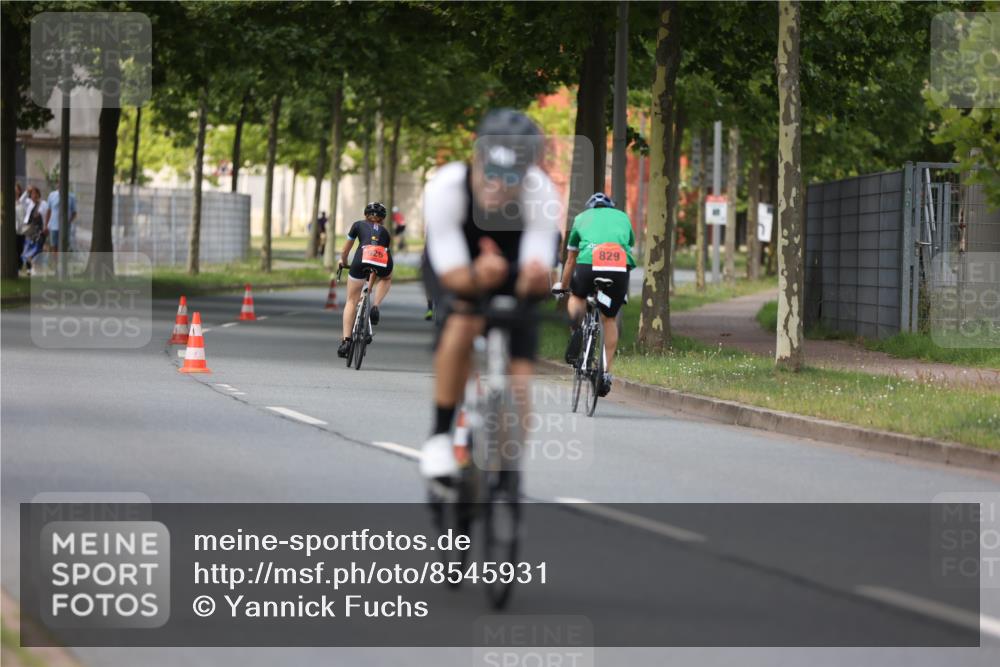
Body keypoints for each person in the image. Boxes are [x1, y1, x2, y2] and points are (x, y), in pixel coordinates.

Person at [420, 109, 561, 480]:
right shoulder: (447, 188)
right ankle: (439, 437)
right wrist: (476, 277)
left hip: (513, 261)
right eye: (490, 173)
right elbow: (452, 275)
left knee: (520, 379)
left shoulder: (540, 193)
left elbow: (538, 276)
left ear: (527, 173)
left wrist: (529, 280)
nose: (497, 185)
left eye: (510, 176)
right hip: (458, 259)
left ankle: (506, 469)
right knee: (462, 323)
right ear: (475, 160)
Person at [553, 192, 636, 397]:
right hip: (618, 269)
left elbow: (571, 258)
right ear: (610, 207)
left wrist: (563, 286)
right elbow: (629, 243)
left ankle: (577, 329)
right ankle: (605, 372)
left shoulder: (581, 218)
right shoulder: (623, 217)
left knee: (578, 296)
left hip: (588, 265)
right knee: (609, 319)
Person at [336, 202, 394, 358]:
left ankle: (346, 341)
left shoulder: (357, 225)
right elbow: (377, 259)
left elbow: (345, 250)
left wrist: (343, 261)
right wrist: (369, 286)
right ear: (382, 219)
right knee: (387, 277)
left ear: (365, 215)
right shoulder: (386, 233)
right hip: (381, 259)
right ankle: (375, 305)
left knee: (351, 301)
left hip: (361, 258)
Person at [21, 186, 48, 274]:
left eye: (36, 193)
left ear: (39, 194)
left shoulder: (43, 204)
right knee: (27, 248)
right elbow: (21, 200)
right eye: (32, 193)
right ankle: (29, 268)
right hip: (29, 229)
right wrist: (27, 191)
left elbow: (45, 216)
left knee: (37, 249)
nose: (34, 195)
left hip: (39, 230)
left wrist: (46, 227)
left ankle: (35, 268)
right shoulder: (29, 203)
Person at [45, 188, 77, 256]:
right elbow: (49, 211)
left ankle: (62, 263)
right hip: (54, 226)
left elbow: (74, 212)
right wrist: (46, 225)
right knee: (54, 247)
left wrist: (68, 222)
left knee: (64, 248)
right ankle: (55, 264)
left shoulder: (71, 196)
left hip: (65, 228)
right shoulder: (52, 195)